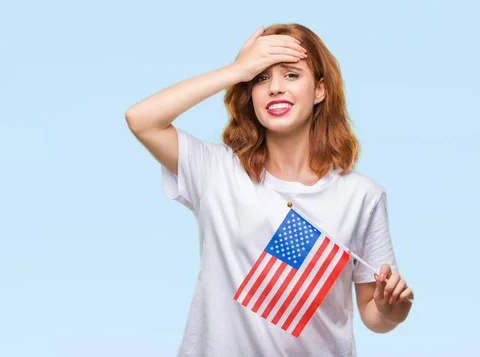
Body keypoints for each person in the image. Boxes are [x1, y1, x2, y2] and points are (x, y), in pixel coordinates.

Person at [125, 23, 413, 357]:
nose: (275, 88)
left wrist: (393, 310)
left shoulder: (361, 195)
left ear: (320, 89)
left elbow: (373, 314)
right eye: (261, 77)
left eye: (291, 75)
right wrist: (235, 70)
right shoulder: (216, 172)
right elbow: (141, 119)